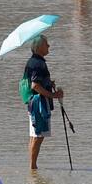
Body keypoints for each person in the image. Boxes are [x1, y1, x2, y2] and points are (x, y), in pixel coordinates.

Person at [23, 35, 64, 170]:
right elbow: (35, 85)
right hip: (38, 104)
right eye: (46, 44)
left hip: (33, 103)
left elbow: (36, 82)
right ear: (39, 47)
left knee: (35, 135)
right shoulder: (38, 63)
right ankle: (33, 167)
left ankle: (32, 167)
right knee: (38, 135)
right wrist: (53, 95)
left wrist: (48, 83)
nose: (48, 46)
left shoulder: (33, 61)